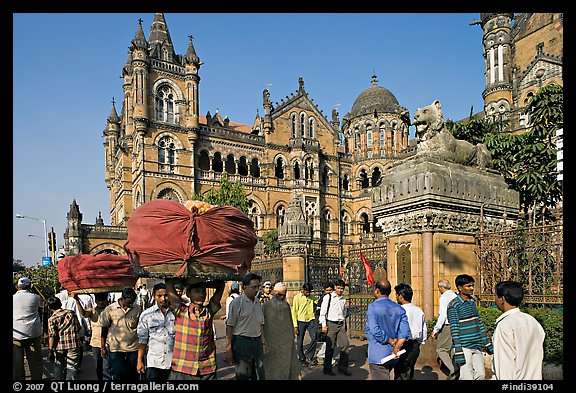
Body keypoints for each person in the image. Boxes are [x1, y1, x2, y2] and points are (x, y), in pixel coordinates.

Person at [166, 278, 225, 380]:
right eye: (197, 291)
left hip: (207, 368)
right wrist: (188, 281)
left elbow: (221, 285)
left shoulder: (209, 312)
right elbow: (169, 282)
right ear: (188, 294)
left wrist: (202, 282)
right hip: (183, 368)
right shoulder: (181, 311)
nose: (201, 294)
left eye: (203, 291)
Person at [492, 281, 545, 380]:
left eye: (495, 296)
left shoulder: (504, 325)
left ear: (502, 299)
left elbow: (504, 366)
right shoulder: (532, 321)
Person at [447, 274, 493, 380]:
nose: (471, 288)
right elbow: (454, 328)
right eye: (468, 286)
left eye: (472, 286)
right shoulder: (453, 305)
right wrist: (458, 350)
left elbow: (479, 323)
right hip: (464, 346)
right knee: (466, 376)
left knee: (481, 374)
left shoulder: (472, 302)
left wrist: (487, 343)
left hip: (477, 345)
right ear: (459, 287)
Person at [365, 278, 411, 380]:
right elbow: (404, 332)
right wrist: (396, 346)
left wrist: (389, 341)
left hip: (378, 355)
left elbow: (375, 330)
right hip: (392, 354)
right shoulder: (399, 308)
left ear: (377, 290)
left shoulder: (372, 307)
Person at [225, 272, 266, 380]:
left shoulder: (258, 303)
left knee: (259, 374)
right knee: (243, 374)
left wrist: (263, 342)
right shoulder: (237, 303)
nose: (257, 290)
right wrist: (228, 348)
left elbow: (261, 324)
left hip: (256, 342)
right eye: (254, 287)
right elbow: (230, 326)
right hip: (241, 342)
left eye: (258, 286)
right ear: (244, 287)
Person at [100, 287, 142, 381]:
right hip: (116, 348)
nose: (131, 304)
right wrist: (102, 347)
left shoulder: (137, 309)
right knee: (118, 373)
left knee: (133, 375)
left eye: (133, 301)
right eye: (129, 302)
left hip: (133, 348)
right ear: (122, 299)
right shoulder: (110, 309)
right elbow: (104, 328)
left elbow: (141, 327)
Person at [262, 282, 301, 379]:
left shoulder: (286, 306)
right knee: (272, 366)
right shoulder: (265, 306)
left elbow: (289, 322)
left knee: (286, 364)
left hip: (285, 343)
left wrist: (292, 337)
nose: (282, 297)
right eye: (279, 294)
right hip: (271, 341)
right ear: (274, 292)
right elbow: (261, 324)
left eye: (284, 294)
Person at [137, 283, 175, 382]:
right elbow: (142, 341)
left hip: (174, 363)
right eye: (159, 296)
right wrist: (140, 361)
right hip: (154, 363)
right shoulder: (146, 315)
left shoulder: (177, 313)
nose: (163, 299)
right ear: (154, 296)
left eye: (166, 295)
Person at [393, 283, 427, 380]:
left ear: (401, 296)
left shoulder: (399, 310)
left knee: (401, 372)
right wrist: (419, 343)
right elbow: (423, 330)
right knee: (408, 370)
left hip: (402, 344)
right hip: (414, 345)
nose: (396, 297)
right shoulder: (418, 310)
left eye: (396, 295)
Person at [13, 277, 44, 380]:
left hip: (16, 336)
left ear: (18, 287)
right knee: (35, 363)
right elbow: (43, 303)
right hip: (33, 333)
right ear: (30, 286)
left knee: (17, 364)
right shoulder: (36, 298)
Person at [319, 278, 351, 376]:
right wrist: (324, 325)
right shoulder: (328, 297)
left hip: (340, 325)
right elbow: (323, 312)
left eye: (342, 288)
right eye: (338, 288)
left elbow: (344, 313)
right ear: (335, 288)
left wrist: (344, 325)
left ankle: (342, 367)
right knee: (330, 347)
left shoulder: (343, 300)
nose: (340, 290)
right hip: (331, 324)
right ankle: (327, 368)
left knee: (345, 345)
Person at [46, 296, 82, 380]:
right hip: (73, 344)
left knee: (58, 366)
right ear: (60, 304)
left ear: (49, 307)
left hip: (59, 346)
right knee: (72, 368)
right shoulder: (71, 313)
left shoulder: (52, 319)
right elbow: (78, 327)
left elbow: (52, 336)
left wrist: (50, 350)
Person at [77, 292, 111, 381]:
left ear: (106, 300)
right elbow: (83, 313)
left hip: (109, 343)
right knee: (98, 366)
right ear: (96, 301)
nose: (101, 302)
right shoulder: (92, 311)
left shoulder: (111, 310)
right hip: (95, 343)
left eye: (103, 300)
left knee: (106, 366)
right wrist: (77, 300)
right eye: (99, 300)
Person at [429, 278, 458, 379]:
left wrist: (435, 330)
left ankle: (453, 370)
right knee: (451, 348)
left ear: (441, 287)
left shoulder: (444, 297)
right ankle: (455, 368)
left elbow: (443, 315)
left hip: (447, 325)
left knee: (441, 349)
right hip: (456, 325)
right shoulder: (455, 296)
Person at [292, 282, 318, 367]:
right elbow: (294, 311)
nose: (308, 293)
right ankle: (302, 359)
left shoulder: (311, 297)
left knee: (314, 337)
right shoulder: (297, 298)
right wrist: (295, 325)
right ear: (303, 290)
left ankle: (309, 355)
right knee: (300, 342)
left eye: (309, 292)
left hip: (310, 319)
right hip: (301, 321)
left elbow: (318, 300)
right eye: (306, 292)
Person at [315, 282, 334, 363]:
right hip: (325, 322)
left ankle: (323, 354)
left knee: (331, 340)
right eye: (327, 290)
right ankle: (322, 354)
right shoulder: (322, 299)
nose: (329, 292)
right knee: (329, 340)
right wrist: (323, 324)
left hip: (333, 322)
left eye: (330, 290)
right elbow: (319, 312)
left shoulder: (335, 298)